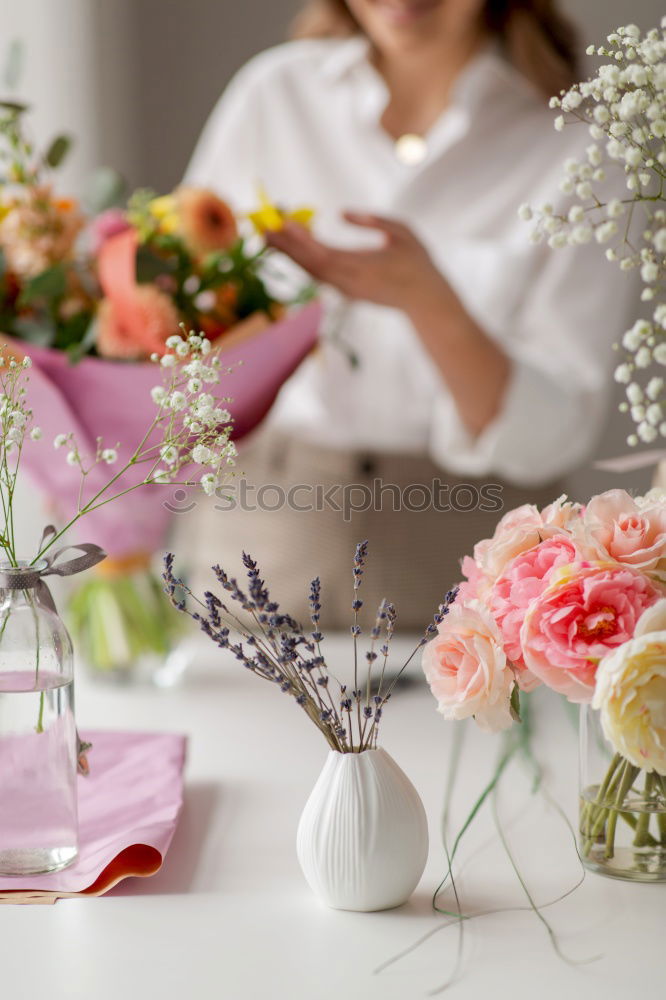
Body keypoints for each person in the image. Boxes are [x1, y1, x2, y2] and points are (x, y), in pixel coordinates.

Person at [182, 0, 636, 627]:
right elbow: (187, 324)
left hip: (476, 541)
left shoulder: (575, 147)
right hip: (267, 519)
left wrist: (430, 301)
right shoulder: (275, 95)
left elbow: (555, 433)